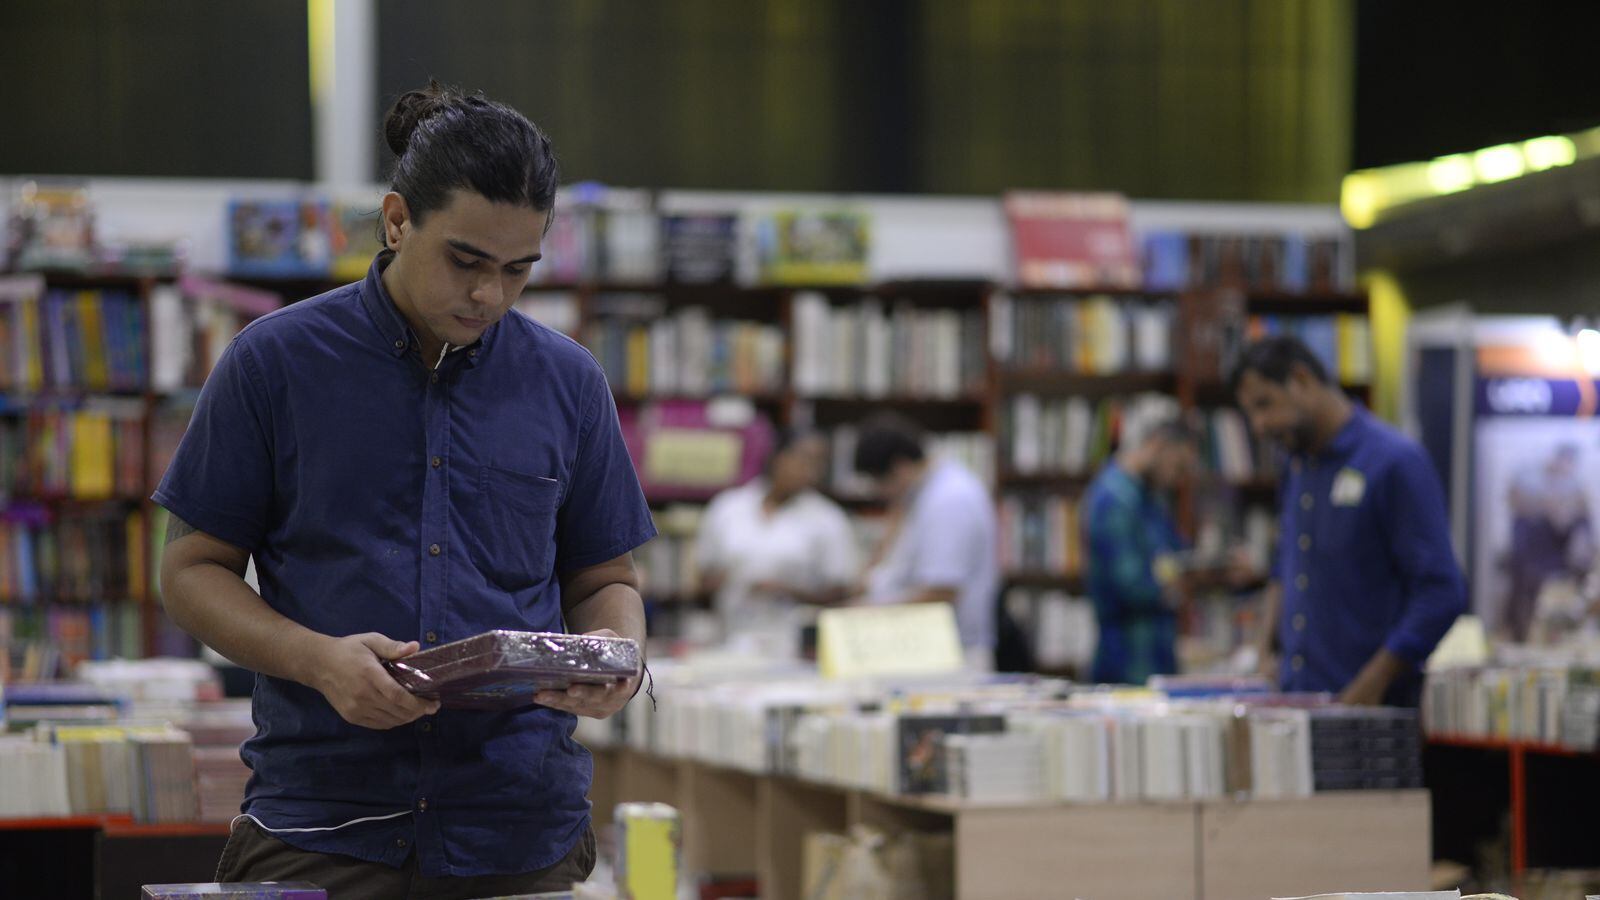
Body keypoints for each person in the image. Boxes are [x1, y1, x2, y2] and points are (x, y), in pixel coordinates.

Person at [155, 83, 656, 898]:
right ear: (396, 221)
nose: (490, 295)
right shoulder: (274, 362)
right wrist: (319, 663)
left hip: (517, 828)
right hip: (323, 821)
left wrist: (617, 660)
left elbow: (604, 579)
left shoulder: (568, 381)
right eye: (466, 261)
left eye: (518, 270)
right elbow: (189, 573)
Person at [1232, 336, 1466, 706]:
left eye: (1265, 404)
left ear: (1302, 379)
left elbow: (1441, 593)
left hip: (1372, 720)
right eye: (1251, 414)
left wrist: (1369, 685)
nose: (1259, 426)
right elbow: (1285, 564)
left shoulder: (1394, 462)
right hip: (1298, 707)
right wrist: (1263, 651)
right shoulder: (1298, 465)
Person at [693, 427, 860, 657]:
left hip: (795, 644)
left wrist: (787, 591)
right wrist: (724, 581)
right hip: (731, 636)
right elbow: (703, 577)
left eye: (819, 464)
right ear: (778, 458)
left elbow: (842, 591)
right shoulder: (729, 507)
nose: (811, 471)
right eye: (805, 459)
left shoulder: (828, 519)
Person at [852, 414, 999, 670]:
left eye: (879, 483)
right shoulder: (919, 495)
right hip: (922, 652)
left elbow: (941, 592)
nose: (879, 494)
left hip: (951, 657)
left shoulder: (949, 499)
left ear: (900, 467)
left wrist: (864, 613)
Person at [1081, 420, 1198, 685]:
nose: (1179, 478)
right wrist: (1176, 585)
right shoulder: (1113, 499)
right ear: (1158, 446)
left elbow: (1176, 558)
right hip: (1127, 663)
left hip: (1156, 657)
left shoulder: (1151, 499)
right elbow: (1132, 586)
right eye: (1178, 466)